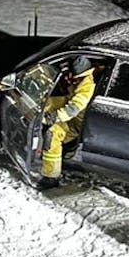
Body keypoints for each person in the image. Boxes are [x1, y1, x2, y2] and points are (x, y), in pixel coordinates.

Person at [39, 56, 97, 188]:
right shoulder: (80, 79)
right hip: (72, 116)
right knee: (45, 104)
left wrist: (54, 117)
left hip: (76, 124)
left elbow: (72, 109)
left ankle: (51, 177)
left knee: (52, 134)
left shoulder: (87, 86)